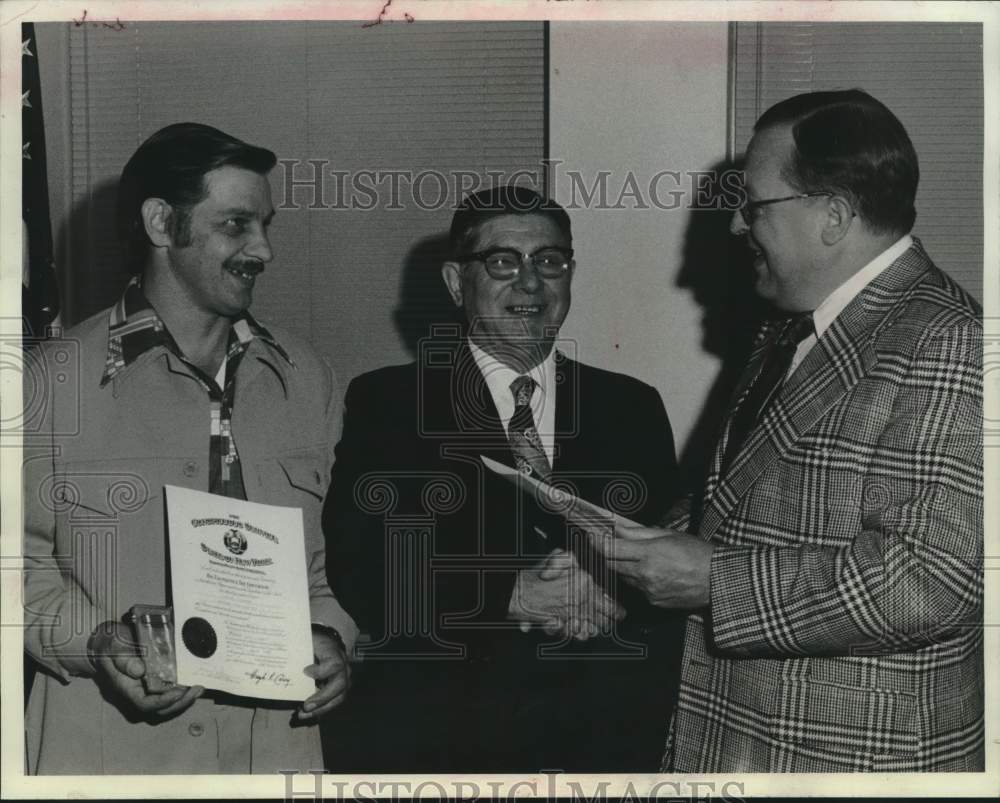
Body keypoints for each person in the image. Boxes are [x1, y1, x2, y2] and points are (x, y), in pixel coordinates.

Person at [590, 89, 983, 772]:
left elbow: (932, 579)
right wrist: (627, 559)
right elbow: (741, 499)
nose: (740, 228)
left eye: (754, 206)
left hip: (851, 762)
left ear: (832, 215)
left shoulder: (950, 342)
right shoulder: (790, 324)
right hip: (750, 742)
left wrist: (714, 580)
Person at [22, 123, 358, 774]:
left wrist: (333, 639)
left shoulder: (307, 379)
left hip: (275, 756)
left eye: (266, 225)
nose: (262, 249)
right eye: (236, 224)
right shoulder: (48, 383)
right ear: (159, 223)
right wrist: (97, 642)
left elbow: (326, 572)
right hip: (109, 761)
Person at [322, 185, 685, 772]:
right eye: (501, 262)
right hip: (446, 744)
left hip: (603, 744)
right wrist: (508, 596)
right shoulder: (388, 401)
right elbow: (360, 565)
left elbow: (668, 558)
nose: (531, 283)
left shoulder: (631, 406)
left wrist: (610, 591)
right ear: (453, 282)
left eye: (550, 261)